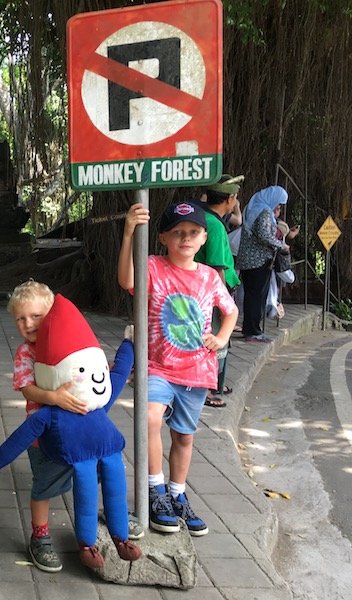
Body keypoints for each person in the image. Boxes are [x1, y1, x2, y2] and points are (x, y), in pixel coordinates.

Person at [118, 201, 238, 536]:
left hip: (197, 370)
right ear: (163, 238)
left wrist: (222, 338)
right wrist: (129, 232)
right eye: (178, 232)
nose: (185, 238)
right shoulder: (153, 266)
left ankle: (177, 494)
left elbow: (230, 311)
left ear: (203, 238)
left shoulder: (210, 278)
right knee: (150, 418)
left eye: (193, 232)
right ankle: (155, 490)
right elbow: (126, 279)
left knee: (184, 436)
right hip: (158, 365)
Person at [6, 281, 141, 572]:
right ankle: (40, 536)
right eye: (20, 318)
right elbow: (27, 389)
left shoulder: (68, 344)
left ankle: (111, 515)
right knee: (44, 488)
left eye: (36, 316)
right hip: (46, 439)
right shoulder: (25, 353)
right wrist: (52, 398)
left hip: (85, 434)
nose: (28, 324)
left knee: (99, 475)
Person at [196, 175, 243, 407]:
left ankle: (214, 383)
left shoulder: (208, 217)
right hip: (212, 292)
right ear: (230, 199)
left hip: (203, 290)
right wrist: (223, 301)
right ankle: (206, 391)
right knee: (214, 338)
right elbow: (216, 266)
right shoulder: (214, 226)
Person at [236, 186, 289, 342]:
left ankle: (249, 329)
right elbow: (264, 235)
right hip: (259, 261)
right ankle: (253, 332)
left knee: (251, 296)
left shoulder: (251, 208)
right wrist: (281, 246)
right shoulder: (264, 212)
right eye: (279, 203)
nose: (279, 207)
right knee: (257, 297)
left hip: (247, 260)